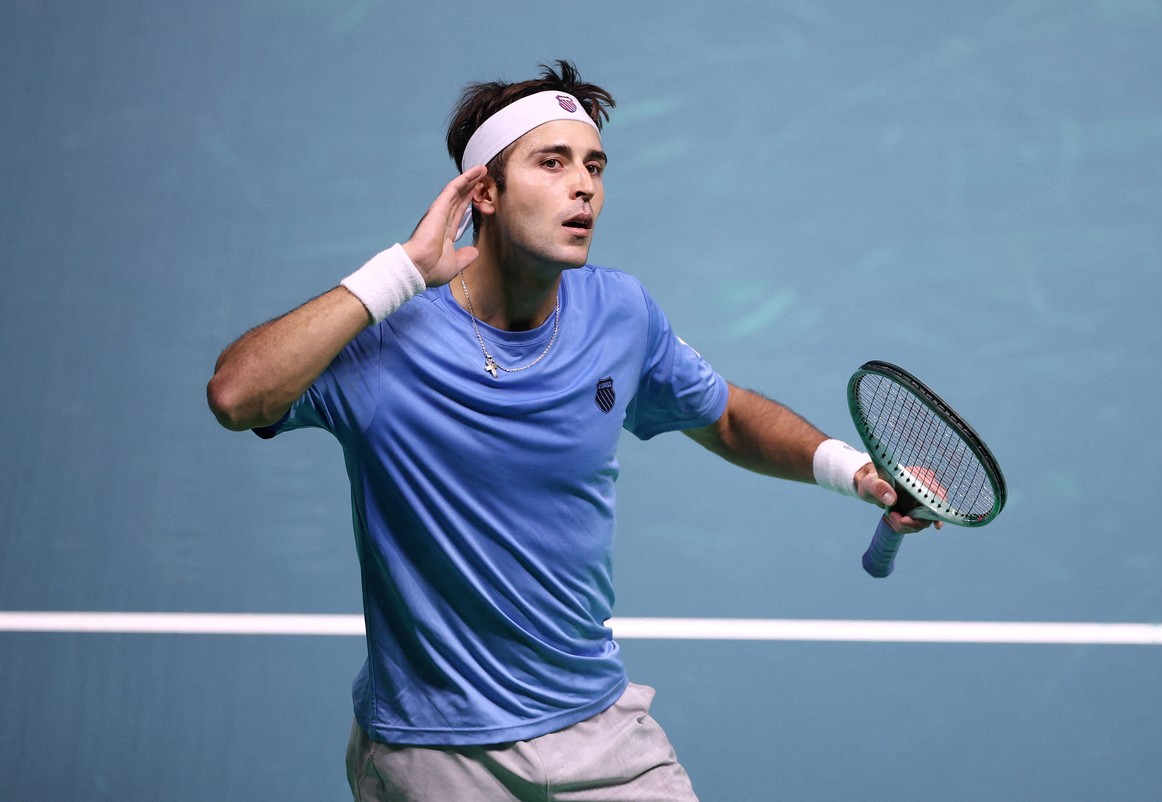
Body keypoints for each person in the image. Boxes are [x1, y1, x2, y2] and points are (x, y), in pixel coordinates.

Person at [207, 60, 933, 802]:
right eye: (551, 163)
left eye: (593, 165)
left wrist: (855, 471)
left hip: (601, 731)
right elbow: (236, 396)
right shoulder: (383, 342)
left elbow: (724, 413)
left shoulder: (619, 312)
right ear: (482, 193)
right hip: (437, 752)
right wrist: (398, 273)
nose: (584, 185)